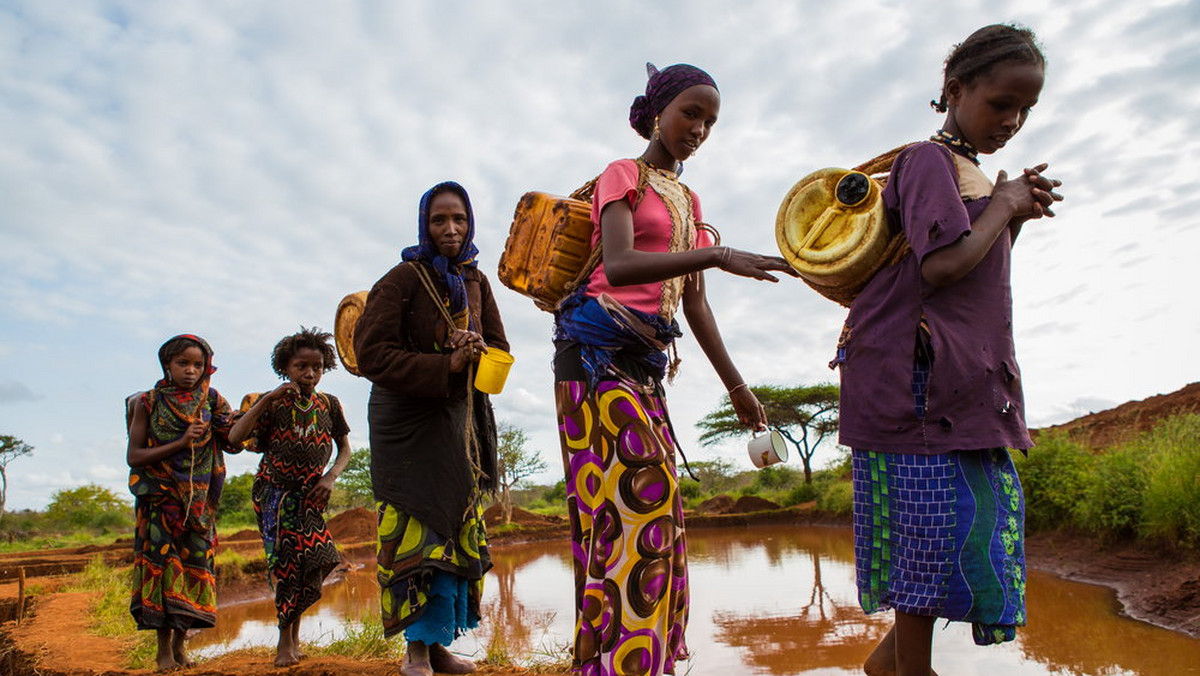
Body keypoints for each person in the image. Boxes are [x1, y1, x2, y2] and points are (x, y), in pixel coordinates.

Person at [831, 25, 1064, 676]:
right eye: (1001, 103)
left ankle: (893, 664)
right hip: (912, 379)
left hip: (957, 379)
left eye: (1025, 109)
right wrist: (1005, 202)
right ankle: (910, 670)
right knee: (930, 531)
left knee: (964, 520)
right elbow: (940, 267)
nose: (1012, 120)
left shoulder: (971, 174)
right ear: (955, 91)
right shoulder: (926, 161)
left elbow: (976, 271)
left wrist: (1010, 214)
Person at [553, 63, 796, 676]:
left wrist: (737, 387)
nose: (700, 128)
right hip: (592, 355)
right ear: (659, 110)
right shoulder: (622, 174)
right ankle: (620, 663)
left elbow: (695, 303)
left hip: (644, 363)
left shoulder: (688, 200)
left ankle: (624, 658)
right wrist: (718, 253)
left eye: (711, 120)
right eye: (691, 112)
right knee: (642, 496)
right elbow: (622, 261)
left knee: (646, 509)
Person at [353, 181, 509, 676]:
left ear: (471, 223)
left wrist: (477, 350)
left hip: (456, 422)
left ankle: (439, 646)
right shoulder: (402, 278)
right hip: (406, 425)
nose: (450, 229)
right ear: (424, 224)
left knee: (454, 530)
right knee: (415, 534)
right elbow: (372, 355)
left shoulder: (477, 281)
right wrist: (444, 362)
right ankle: (414, 651)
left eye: (459, 219)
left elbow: (499, 344)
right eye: (440, 220)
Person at [228, 327, 352, 667]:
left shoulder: (329, 404)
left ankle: (293, 638)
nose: (309, 373)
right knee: (285, 568)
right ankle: (286, 644)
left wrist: (330, 478)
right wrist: (266, 399)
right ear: (286, 367)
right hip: (275, 495)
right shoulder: (274, 402)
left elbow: (345, 450)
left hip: (311, 497)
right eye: (301, 366)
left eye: (317, 366)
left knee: (317, 559)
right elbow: (236, 435)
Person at [126, 334, 234, 671]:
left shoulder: (213, 400)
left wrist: (257, 410)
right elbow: (134, 456)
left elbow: (232, 440)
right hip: (159, 502)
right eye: (182, 363)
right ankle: (162, 653)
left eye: (198, 365)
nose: (191, 371)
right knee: (162, 573)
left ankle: (180, 647)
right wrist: (180, 441)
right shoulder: (147, 402)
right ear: (167, 365)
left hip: (199, 507)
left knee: (193, 571)